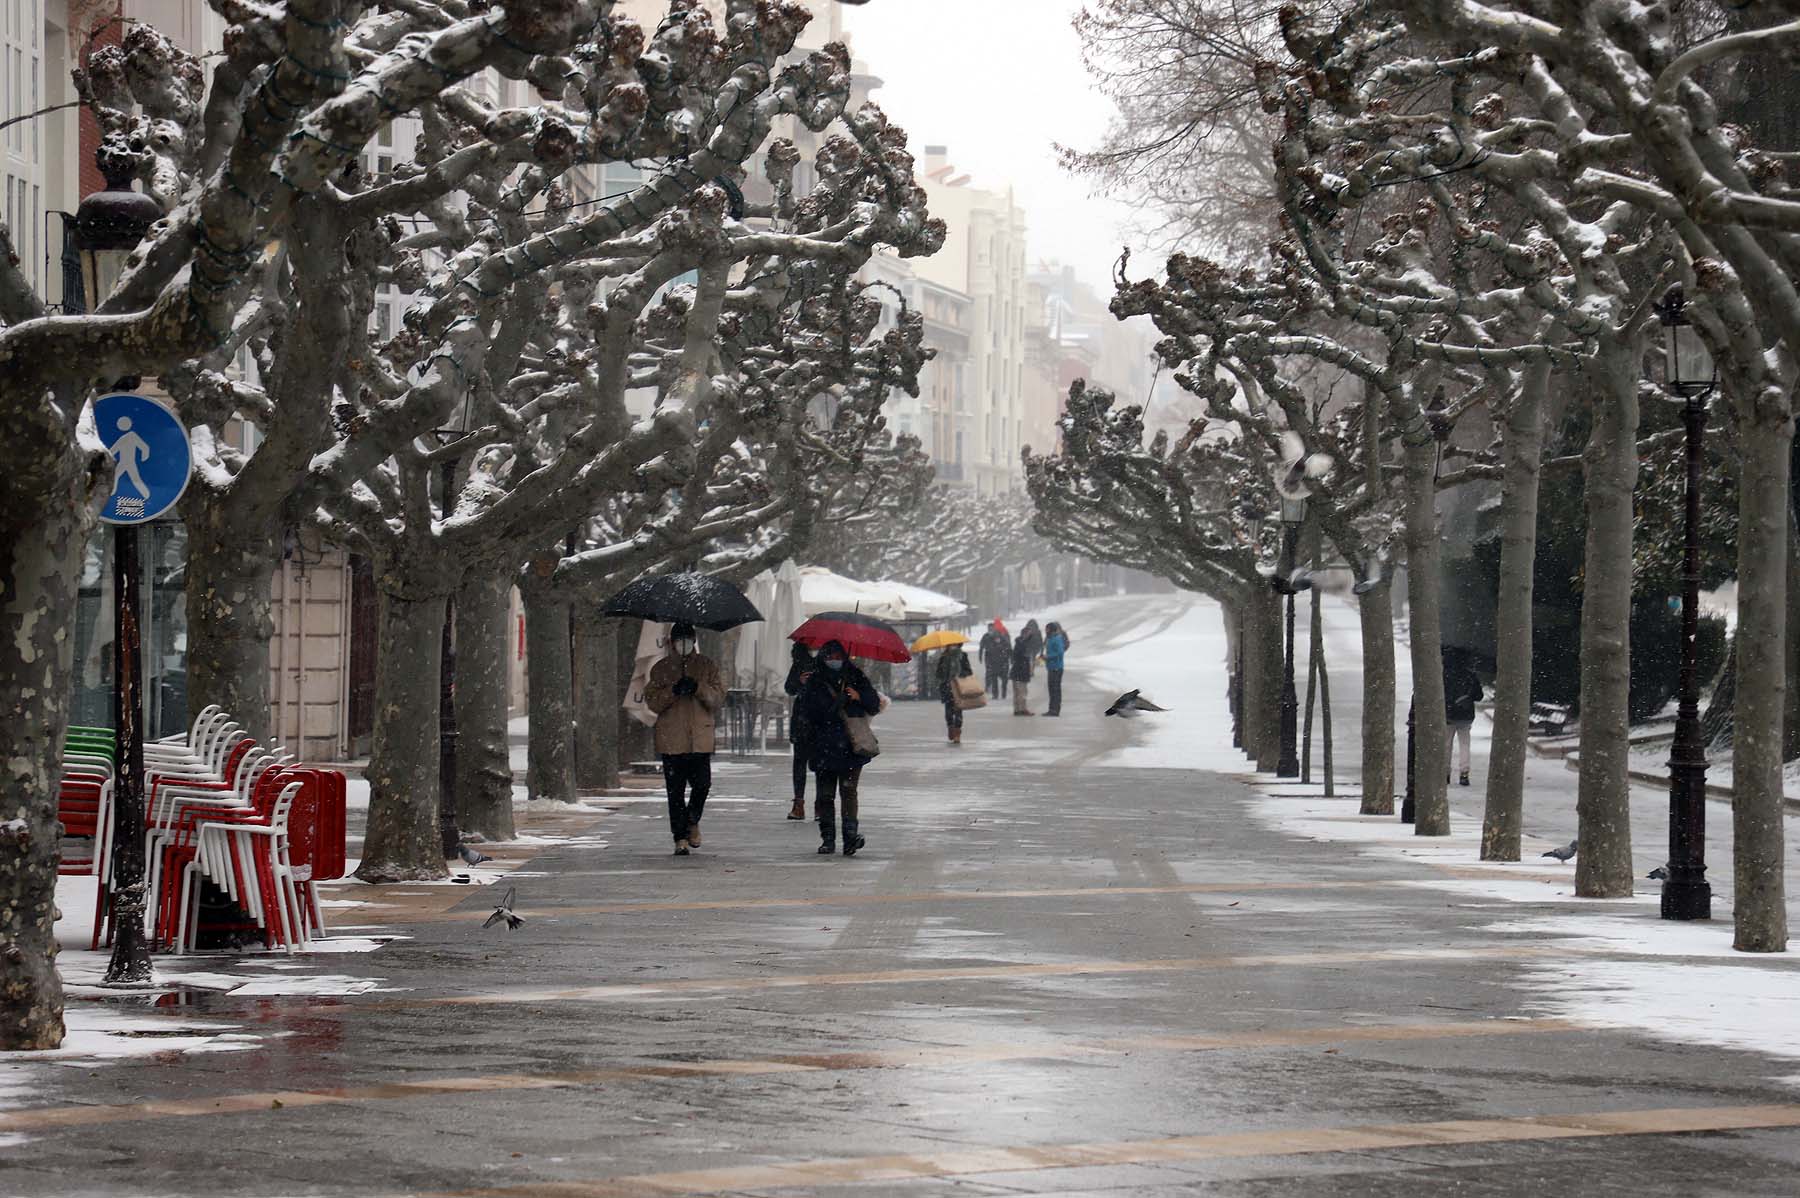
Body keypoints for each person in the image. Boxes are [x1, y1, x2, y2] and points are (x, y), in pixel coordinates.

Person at [645, 622, 725, 855]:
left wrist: (698, 687)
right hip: (672, 738)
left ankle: (692, 820)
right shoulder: (660, 669)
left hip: (700, 738)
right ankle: (679, 836)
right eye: (679, 640)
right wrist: (673, 691)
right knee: (675, 791)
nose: (684, 644)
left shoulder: (707, 666)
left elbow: (718, 698)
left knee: (702, 785)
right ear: (672, 643)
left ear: (694, 641)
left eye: (688, 639)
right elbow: (653, 702)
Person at [795, 640, 881, 856]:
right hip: (823, 747)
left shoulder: (855, 676)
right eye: (829, 657)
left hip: (851, 746)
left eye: (837, 657)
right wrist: (834, 704)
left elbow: (873, 704)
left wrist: (857, 696)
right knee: (825, 795)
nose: (834, 661)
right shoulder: (814, 680)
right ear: (823, 658)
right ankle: (828, 838)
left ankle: (850, 837)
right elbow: (808, 712)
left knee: (849, 791)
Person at [783, 641, 816, 820]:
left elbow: (789, 688)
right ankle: (808, 804)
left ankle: (804, 804)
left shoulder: (819, 664)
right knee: (808, 764)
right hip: (808, 720)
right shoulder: (801, 665)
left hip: (812, 720)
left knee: (806, 764)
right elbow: (789, 688)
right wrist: (800, 681)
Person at [1444, 652, 1483, 787]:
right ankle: (1464, 773)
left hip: (1448, 715)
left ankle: (1445, 773)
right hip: (1466, 715)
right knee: (1465, 744)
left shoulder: (1445, 675)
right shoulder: (1470, 676)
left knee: (1446, 744)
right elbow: (1479, 696)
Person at [936, 643, 975, 745]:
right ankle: (950, 727)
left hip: (959, 687)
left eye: (955, 645)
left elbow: (969, 671)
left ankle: (957, 733)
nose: (953, 646)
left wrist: (959, 674)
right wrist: (943, 674)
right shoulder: (944, 657)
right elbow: (938, 673)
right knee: (948, 711)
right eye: (951, 645)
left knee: (958, 710)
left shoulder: (963, 656)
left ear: (959, 645)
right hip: (947, 687)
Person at [1010, 619, 1042, 716]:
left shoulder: (1019, 643)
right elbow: (1020, 656)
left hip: (1016, 671)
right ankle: (1022, 709)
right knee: (1022, 692)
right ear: (1024, 634)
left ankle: (1017, 709)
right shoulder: (1022, 644)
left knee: (1017, 692)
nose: (1029, 635)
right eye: (1028, 634)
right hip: (1021, 671)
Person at [1043, 621, 1070, 717]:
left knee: (1055, 689)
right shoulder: (1049, 638)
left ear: (1051, 629)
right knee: (1051, 689)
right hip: (1051, 667)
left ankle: (1055, 710)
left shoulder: (1057, 639)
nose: (1045, 630)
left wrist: (1048, 657)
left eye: (1047, 628)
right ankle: (1051, 709)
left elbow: (1060, 652)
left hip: (1057, 667)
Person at [978, 620, 1011, 699]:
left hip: (1002, 661)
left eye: (992, 628)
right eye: (989, 628)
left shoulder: (1002, 636)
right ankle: (991, 690)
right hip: (990, 659)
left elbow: (1008, 647)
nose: (990, 629)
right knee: (991, 675)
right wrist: (980, 656)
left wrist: (1009, 657)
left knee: (1003, 679)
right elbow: (982, 646)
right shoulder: (986, 636)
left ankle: (1003, 693)